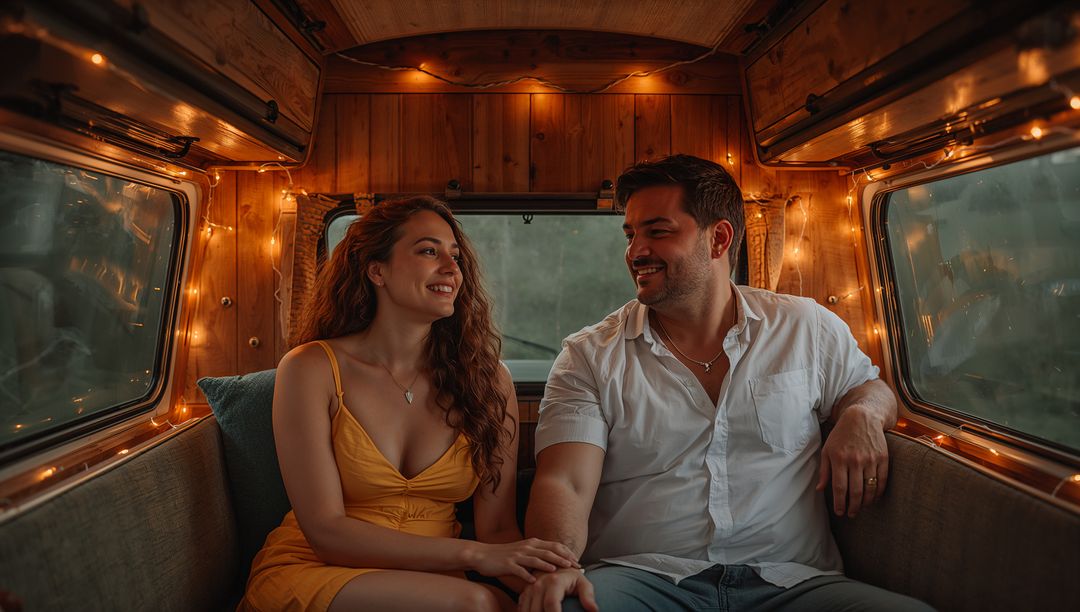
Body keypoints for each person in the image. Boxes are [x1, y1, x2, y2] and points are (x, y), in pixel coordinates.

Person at [519, 155, 933, 611]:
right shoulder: (588, 356)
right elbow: (565, 483)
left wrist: (862, 414)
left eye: (657, 231)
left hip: (790, 582)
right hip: (644, 580)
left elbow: (870, 388)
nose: (636, 251)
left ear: (718, 238)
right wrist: (557, 568)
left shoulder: (806, 327)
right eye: (631, 234)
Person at [240, 196, 577, 612]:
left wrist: (552, 577)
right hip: (319, 568)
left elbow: (498, 532)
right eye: (429, 251)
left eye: (455, 256)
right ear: (377, 271)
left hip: (433, 582)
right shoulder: (311, 368)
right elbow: (327, 533)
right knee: (477, 604)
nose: (451, 268)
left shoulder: (489, 381)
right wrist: (473, 555)